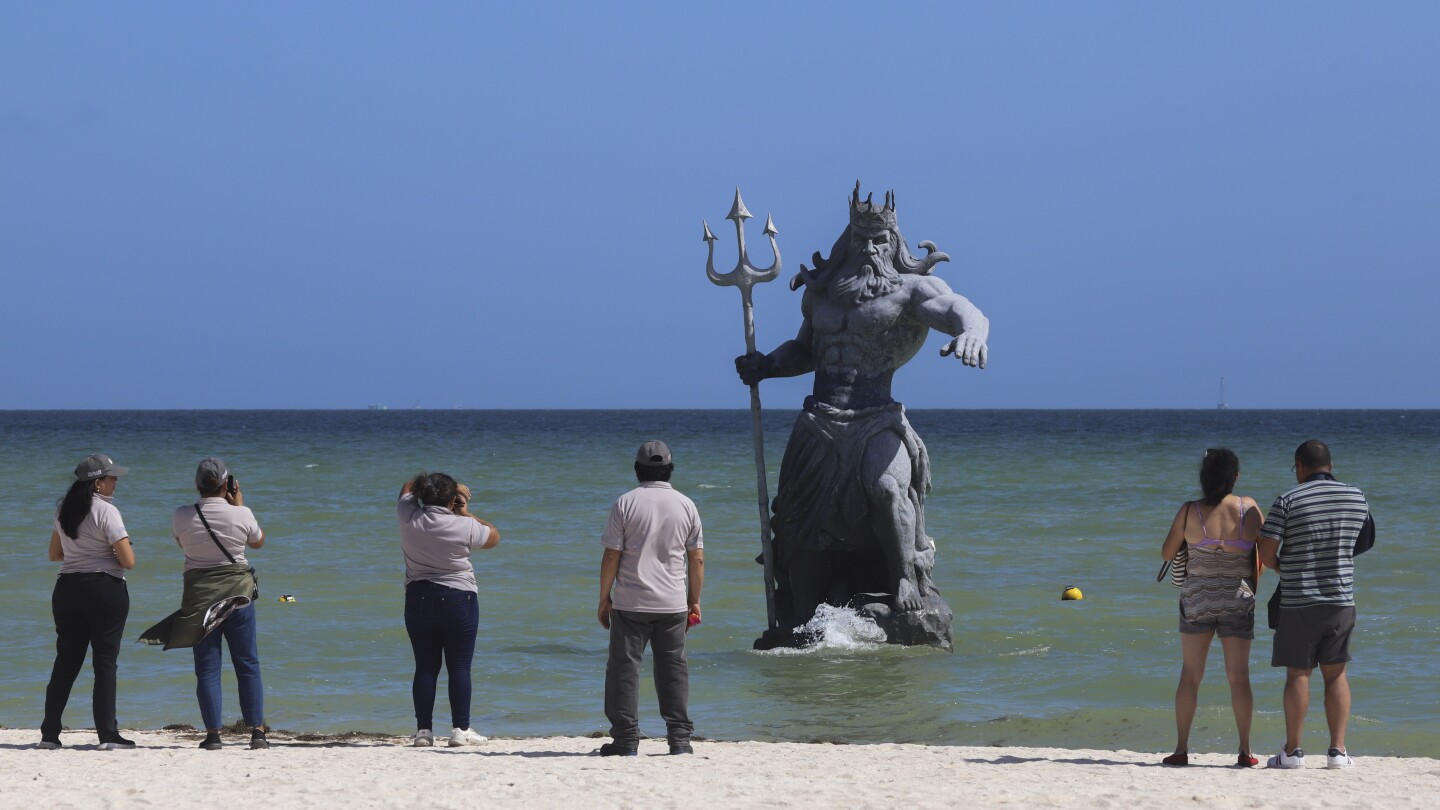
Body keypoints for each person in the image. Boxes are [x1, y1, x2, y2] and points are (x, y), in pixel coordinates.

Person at [734, 183, 987, 648]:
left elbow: (957, 308)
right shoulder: (823, 293)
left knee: (888, 489)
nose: (869, 249)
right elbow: (805, 350)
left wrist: (974, 330)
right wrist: (766, 366)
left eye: (879, 240)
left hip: (876, 419)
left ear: (895, 243)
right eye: (860, 239)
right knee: (796, 521)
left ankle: (904, 577)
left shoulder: (912, 290)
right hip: (820, 420)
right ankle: (801, 614)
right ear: (846, 242)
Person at [1258, 440, 1374, 770]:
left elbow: (1265, 551)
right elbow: (1364, 541)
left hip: (1298, 600)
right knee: (1336, 675)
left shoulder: (1288, 500)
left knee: (1298, 674)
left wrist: (1282, 566)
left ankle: (1292, 752)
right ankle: (1337, 751)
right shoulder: (1357, 496)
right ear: (1330, 466)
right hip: (1340, 599)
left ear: (1300, 466)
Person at [597, 440, 705, 756]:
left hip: (630, 602)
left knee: (624, 669)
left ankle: (626, 740)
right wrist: (694, 600)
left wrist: (604, 598)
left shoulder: (625, 503)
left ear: (637, 469)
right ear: (669, 469)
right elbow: (696, 558)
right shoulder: (686, 505)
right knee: (673, 669)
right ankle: (679, 740)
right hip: (673, 602)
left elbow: (611, 555)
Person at [1158, 448, 1263, 767]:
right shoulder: (1249, 508)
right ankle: (1245, 751)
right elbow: (1265, 553)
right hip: (1237, 600)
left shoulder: (1190, 511)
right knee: (1239, 677)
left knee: (1190, 675)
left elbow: (1166, 554)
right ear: (1236, 477)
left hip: (1197, 600)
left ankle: (1181, 749)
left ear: (1203, 477)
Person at [40, 453, 138, 751]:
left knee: (65, 662)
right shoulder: (107, 511)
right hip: (103, 589)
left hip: (67, 588)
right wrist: (109, 553)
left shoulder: (63, 510)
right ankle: (107, 735)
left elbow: (55, 555)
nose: (115, 481)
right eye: (111, 477)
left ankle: (49, 735)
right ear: (97, 483)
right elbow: (128, 561)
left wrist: (83, 551)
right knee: (105, 663)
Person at [398, 472, 500, 747]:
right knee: (459, 667)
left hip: (418, 596)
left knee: (425, 666)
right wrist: (466, 512)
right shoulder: (465, 525)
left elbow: (407, 486)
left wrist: (438, 487)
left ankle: (423, 731)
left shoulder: (408, 516)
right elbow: (493, 537)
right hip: (459, 597)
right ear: (453, 500)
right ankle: (460, 729)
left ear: (422, 494)